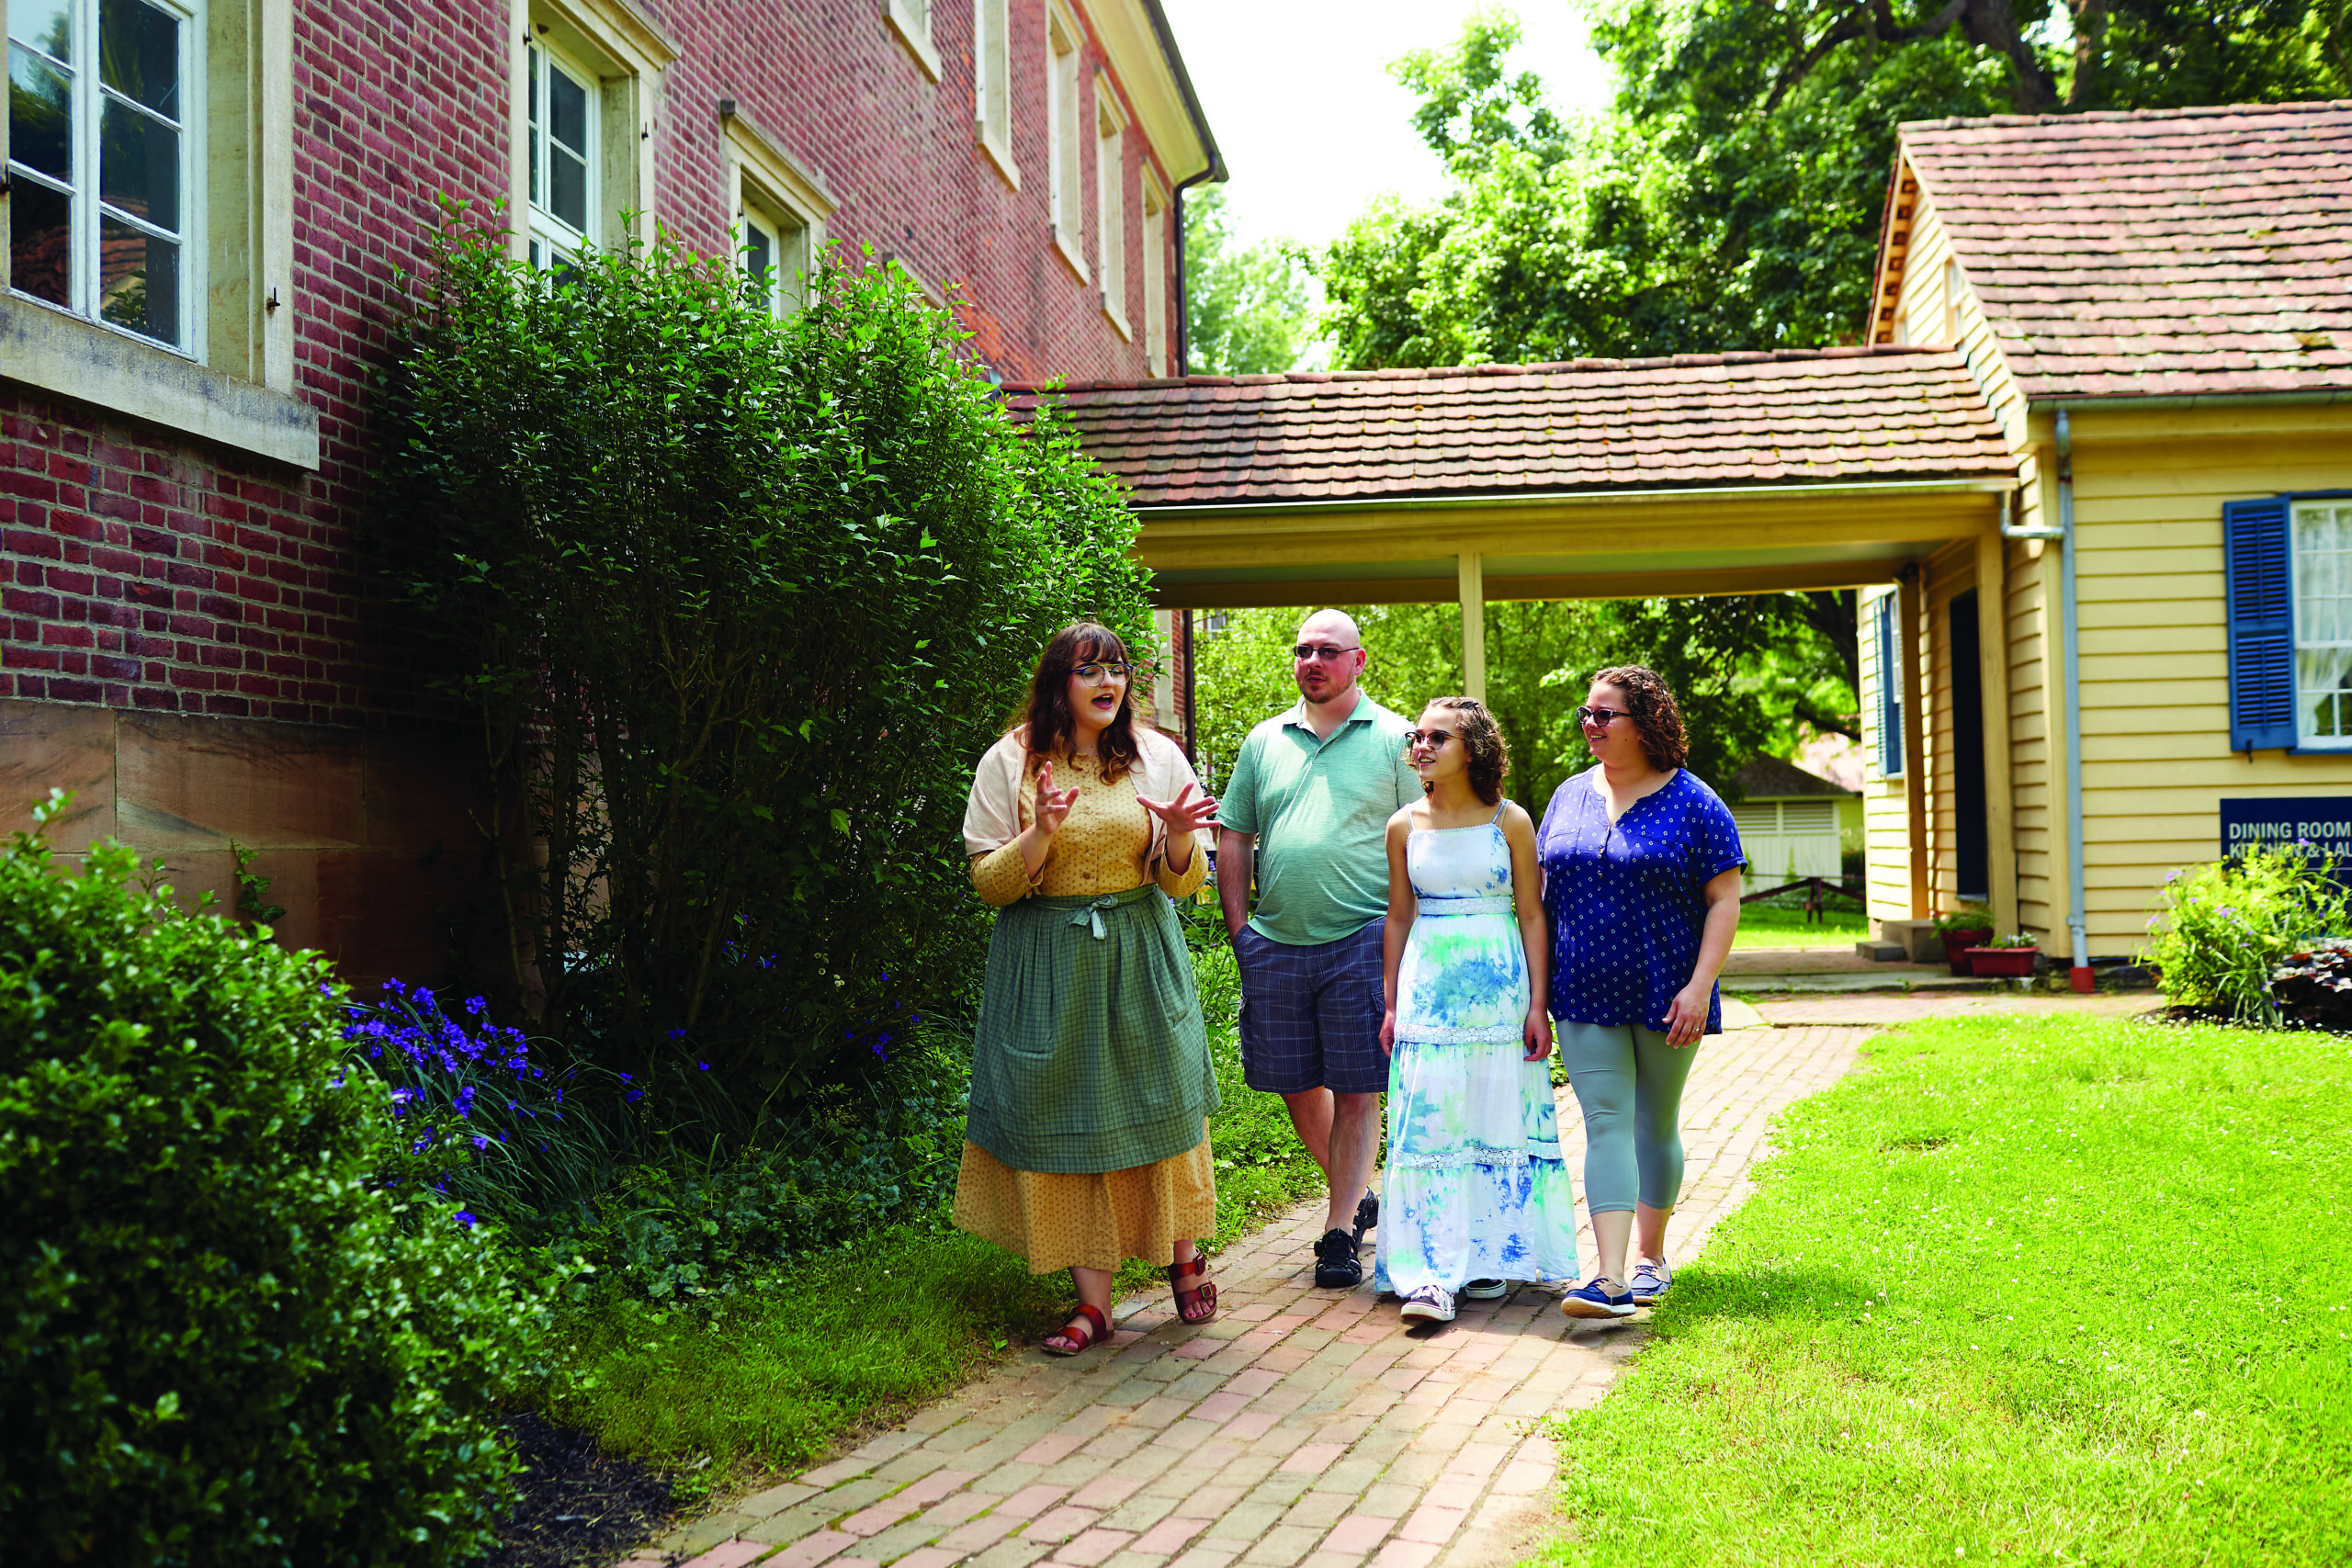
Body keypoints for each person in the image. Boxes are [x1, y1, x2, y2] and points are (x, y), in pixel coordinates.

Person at [956, 622, 1225, 1355]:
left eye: (1117, 668)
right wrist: (1040, 831)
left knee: (1159, 1105)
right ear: (1057, 684)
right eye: (1089, 670)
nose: (1109, 681)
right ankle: (1094, 1304)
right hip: (1048, 961)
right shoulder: (1010, 762)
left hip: (1140, 952)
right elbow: (990, 882)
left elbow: (1183, 878)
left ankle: (1181, 1250)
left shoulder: (1154, 756)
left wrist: (1174, 837)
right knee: (1065, 1120)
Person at [1217, 610, 1425, 1289]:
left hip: (1363, 936)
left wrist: (1408, 935)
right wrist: (1240, 928)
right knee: (1292, 1079)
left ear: (1358, 661)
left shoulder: (1398, 739)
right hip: (1274, 941)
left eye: (1327, 651)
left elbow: (1419, 841)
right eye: (1303, 649)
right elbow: (1235, 836)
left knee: (1358, 1086)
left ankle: (1337, 1232)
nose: (1312, 661)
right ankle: (1358, 1193)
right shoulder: (1263, 740)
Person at [1537, 665, 1743, 1320]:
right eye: (1586, 714)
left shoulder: (1696, 801)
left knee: (1652, 1122)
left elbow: (1723, 899)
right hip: (1582, 989)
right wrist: (1537, 992)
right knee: (1603, 1123)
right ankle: (1612, 1276)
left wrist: (1700, 984)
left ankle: (1652, 1258)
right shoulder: (1567, 796)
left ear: (1645, 722)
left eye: (1605, 715)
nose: (1591, 725)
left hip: (1667, 992)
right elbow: (1540, 902)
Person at [1375, 697, 1578, 1324]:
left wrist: (1538, 1004)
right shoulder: (1402, 825)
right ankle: (1431, 1273)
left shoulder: (1510, 820)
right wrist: (1389, 1002)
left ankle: (1489, 1255)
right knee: (1433, 1125)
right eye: (1418, 735)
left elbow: (1532, 913)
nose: (1423, 745)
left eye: (1440, 736)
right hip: (1429, 989)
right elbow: (1400, 914)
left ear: (1475, 748)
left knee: (1493, 1120)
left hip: (1498, 989)